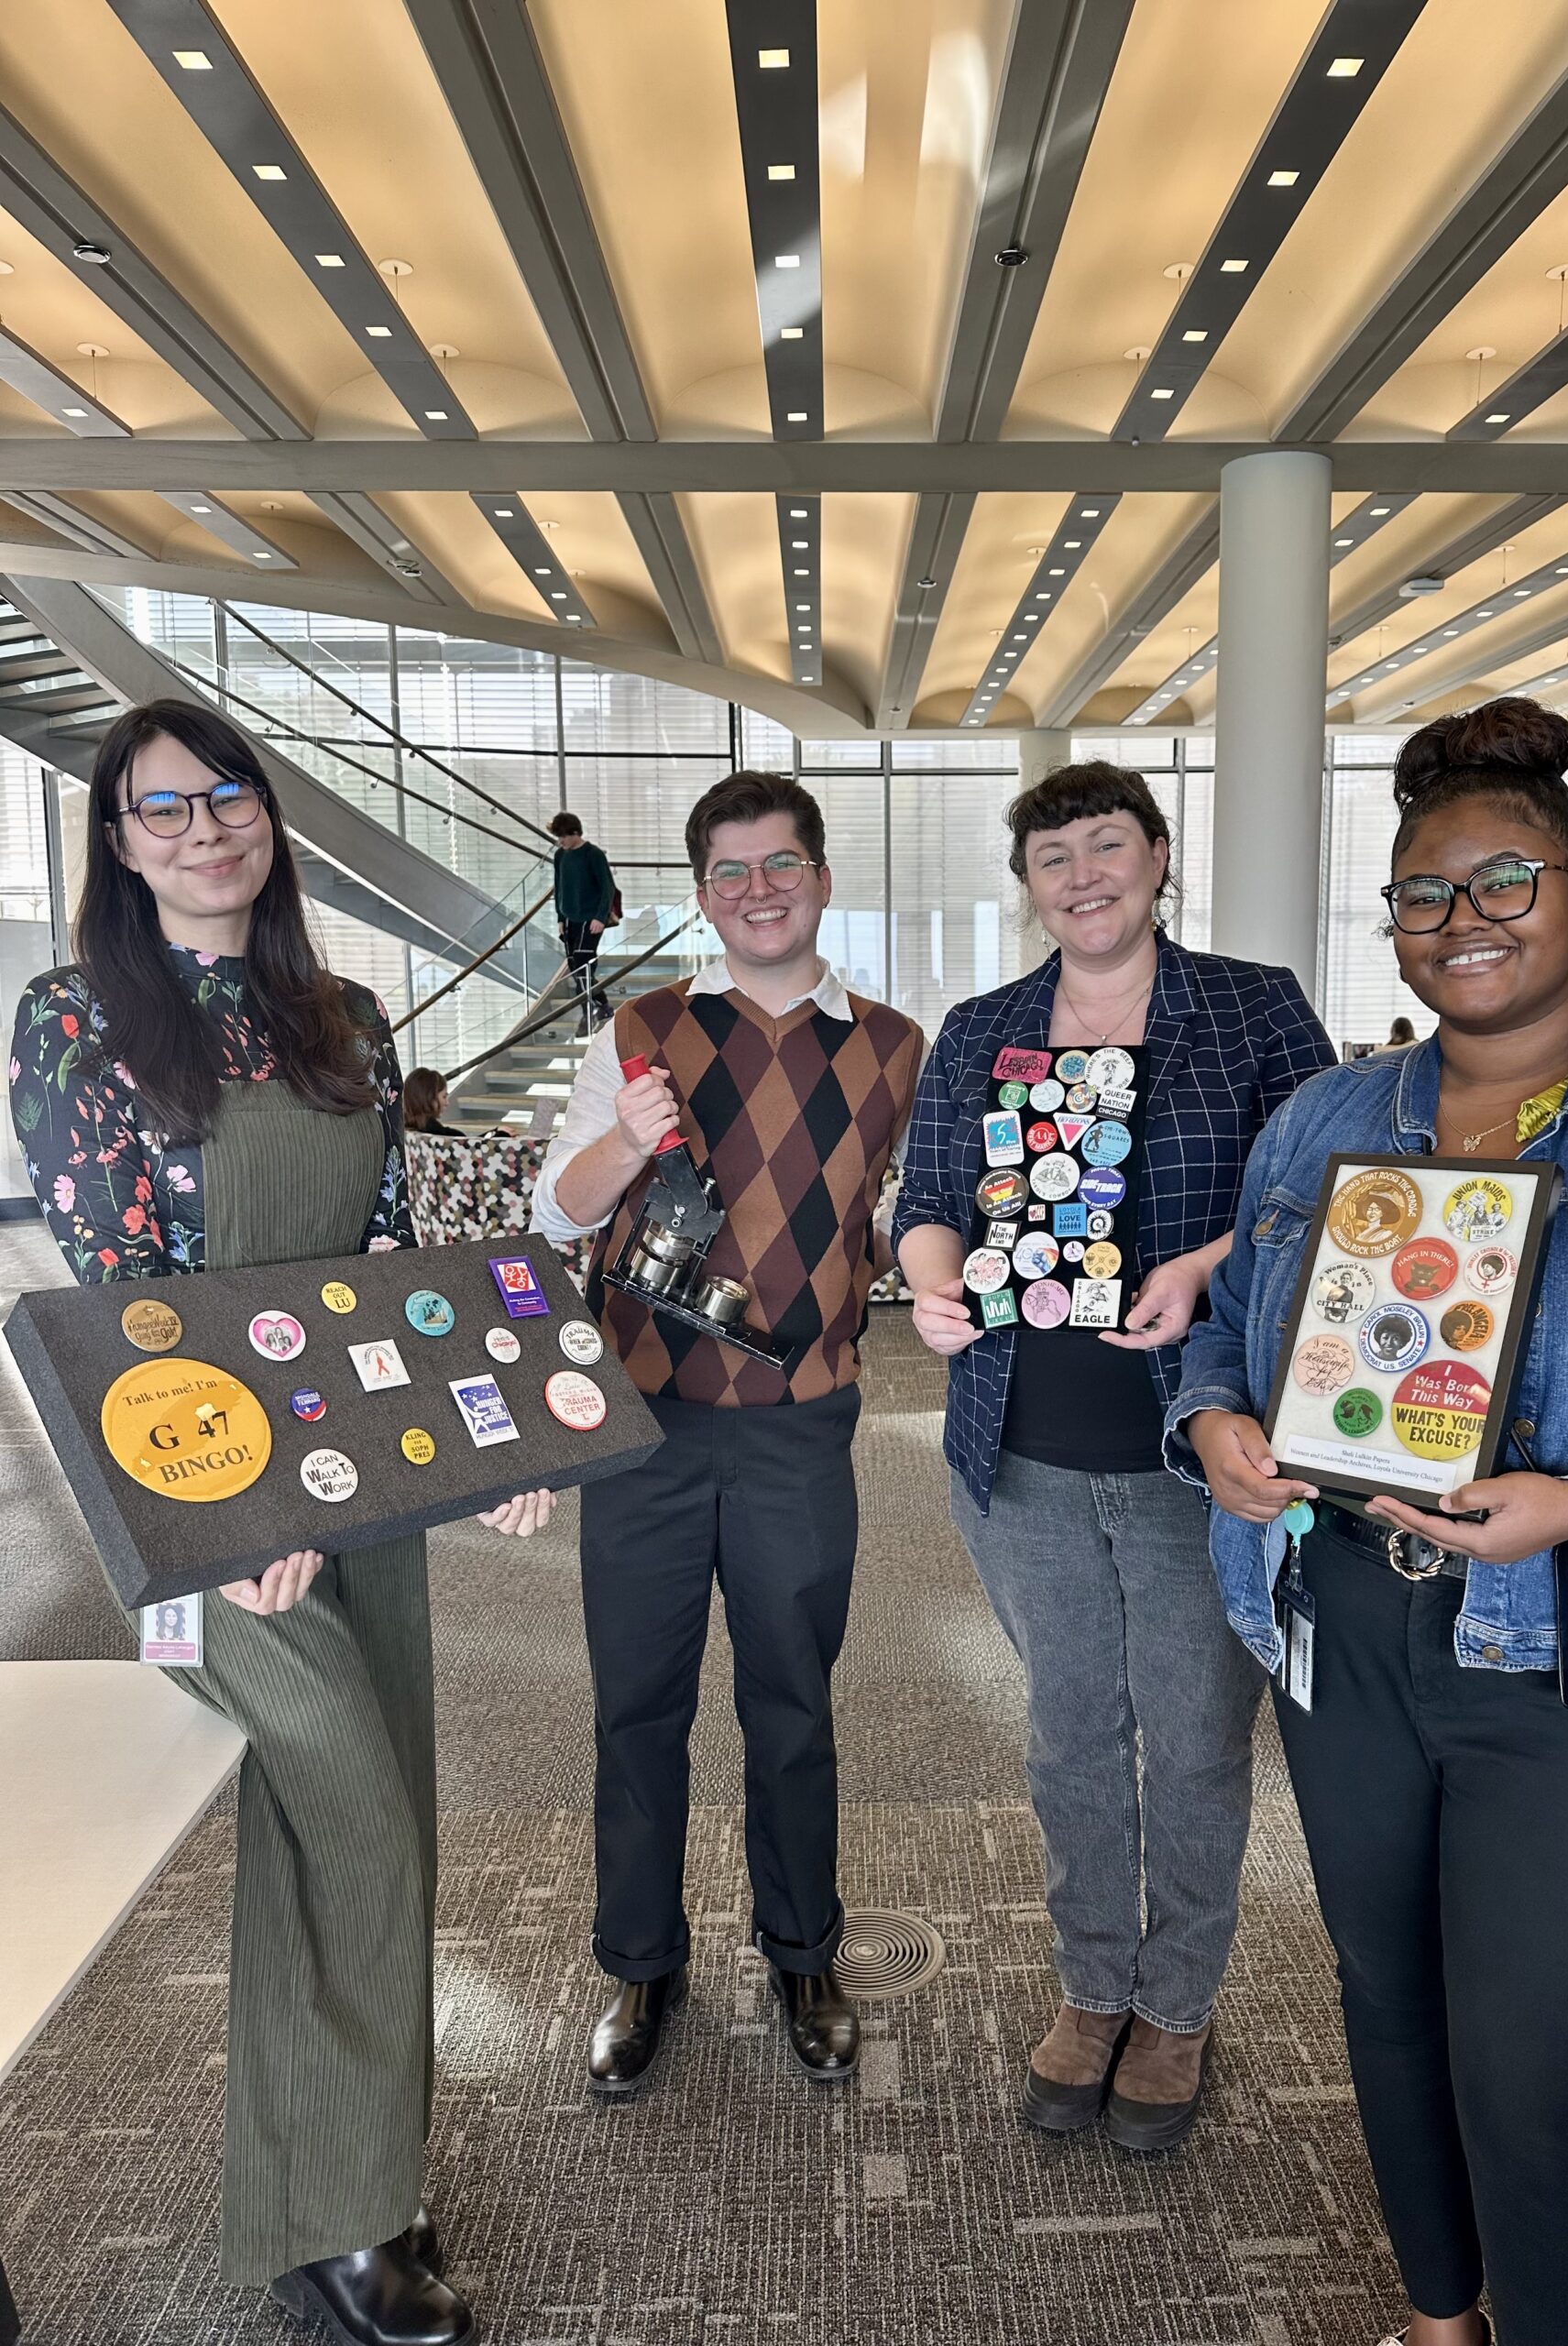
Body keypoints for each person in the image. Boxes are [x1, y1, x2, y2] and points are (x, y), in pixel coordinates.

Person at [1173, 697, 1568, 2346]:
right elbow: (1230, 1337)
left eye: (1509, 879)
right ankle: (1439, 2317)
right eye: (1426, 895)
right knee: (1391, 2010)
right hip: (1346, 1627)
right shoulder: (1321, 1123)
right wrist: (1213, 1419)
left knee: (1537, 2077)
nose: (1467, 919)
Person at [10, 699, 556, 2346]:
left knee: (379, 1827)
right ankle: (336, 2215)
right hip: (198, 1508)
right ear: (118, 841)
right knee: (352, 1812)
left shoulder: (344, 1017)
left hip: (355, 1482)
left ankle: (355, 2169)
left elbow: (396, 1272)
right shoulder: (72, 1020)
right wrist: (233, 1518)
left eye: (228, 797)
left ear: (267, 817)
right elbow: (116, 1311)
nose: (203, 828)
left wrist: (489, 1445)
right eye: (163, 809)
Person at [892, 759, 1334, 2150]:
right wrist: (930, 1284)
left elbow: (1329, 1185)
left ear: (1157, 855)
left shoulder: (1251, 1007)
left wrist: (1206, 1265)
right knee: (1073, 1738)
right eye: (1053, 857)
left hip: (1194, 1443)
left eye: (1107, 846)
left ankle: (1180, 2004)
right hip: (1018, 1443)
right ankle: (1093, 1986)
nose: (1084, 876)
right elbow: (930, 1198)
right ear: (1025, 884)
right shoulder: (984, 1026)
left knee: (1198, 1743)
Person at [532, 771, 923, 2090]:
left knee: (793, 1705)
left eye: (783, 866)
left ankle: (803, 1952)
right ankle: (642, 1969)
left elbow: (904, 1222)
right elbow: (558, 1212)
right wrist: (626, 1145)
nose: (760, 892)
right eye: (732, 873)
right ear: (703, 895)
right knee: (636, 1708)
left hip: (799, 1427)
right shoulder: (639, 1030)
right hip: (639, 1430)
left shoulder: (893, 1045)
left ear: (820, 875)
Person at [548, 811, 616, 1033]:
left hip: (590, 920)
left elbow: (607, 888)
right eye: (559, 838)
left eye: (564, 837)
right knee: (575, 967)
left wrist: (600, 917)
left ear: (575, 833)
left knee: (583, 965)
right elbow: (559, 887)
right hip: (569, 920)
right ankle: (602, 1006)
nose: (561, 841)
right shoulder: (560, 856)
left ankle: (590, 1013)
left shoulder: (593, 855)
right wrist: (560, 917)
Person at [402, 1068, 466, 1135]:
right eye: (444, 1097)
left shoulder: (399, 1132)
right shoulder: (454, 1138)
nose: (447, 1103)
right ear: (430, 1098)